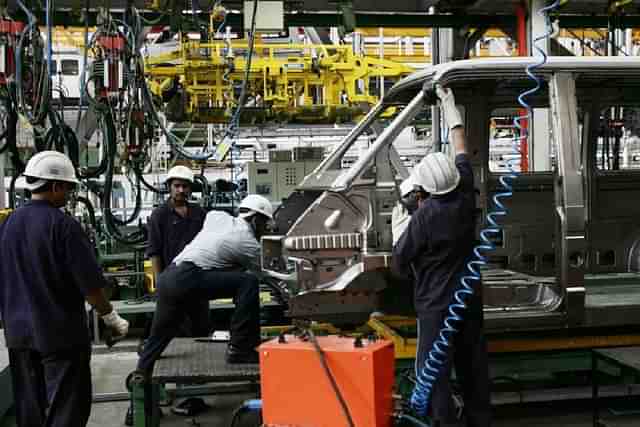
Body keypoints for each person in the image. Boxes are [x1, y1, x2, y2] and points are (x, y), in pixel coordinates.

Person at [0, 151, 129, 427]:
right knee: (67, 409)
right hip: (59, 336)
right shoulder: (63, 226)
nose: (70, 194)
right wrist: (112, 319)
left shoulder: (9, 224)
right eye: (69, 188)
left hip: (19, 336)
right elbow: (91, 287)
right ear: (56, 186)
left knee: (30, 411)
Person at [392, 86, 491, 427]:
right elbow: (460, 144)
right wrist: (450, 107)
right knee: (473, 366)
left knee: (433, 372)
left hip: (436, 307)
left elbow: (398, 261)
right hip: (469, 300)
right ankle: (480, 421)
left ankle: (443, 423)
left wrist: (399, 221)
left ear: (426, 190)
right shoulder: (465, 190)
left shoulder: (424, 217)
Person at [137, 194, 274, 373]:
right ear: (255, 220)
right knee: (248, 282)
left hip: (170, 277)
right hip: (188, 278)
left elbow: (219, 248)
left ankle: (141, 377)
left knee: (159, 336)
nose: (265, 230)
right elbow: (268, 274)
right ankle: (240, 349)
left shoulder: (218, 217)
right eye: (264, 225)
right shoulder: (246, 242)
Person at [145, 165, 208, 337]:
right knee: (173, 329)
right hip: (172, 281)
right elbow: (154, 251)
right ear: (169, 187)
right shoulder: (159, 215)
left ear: (190, 188)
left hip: (197, 279)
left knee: (200, 326)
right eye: (177, 186)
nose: (181, 190)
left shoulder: (199, 213)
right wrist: (160, 284)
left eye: (185, 186)